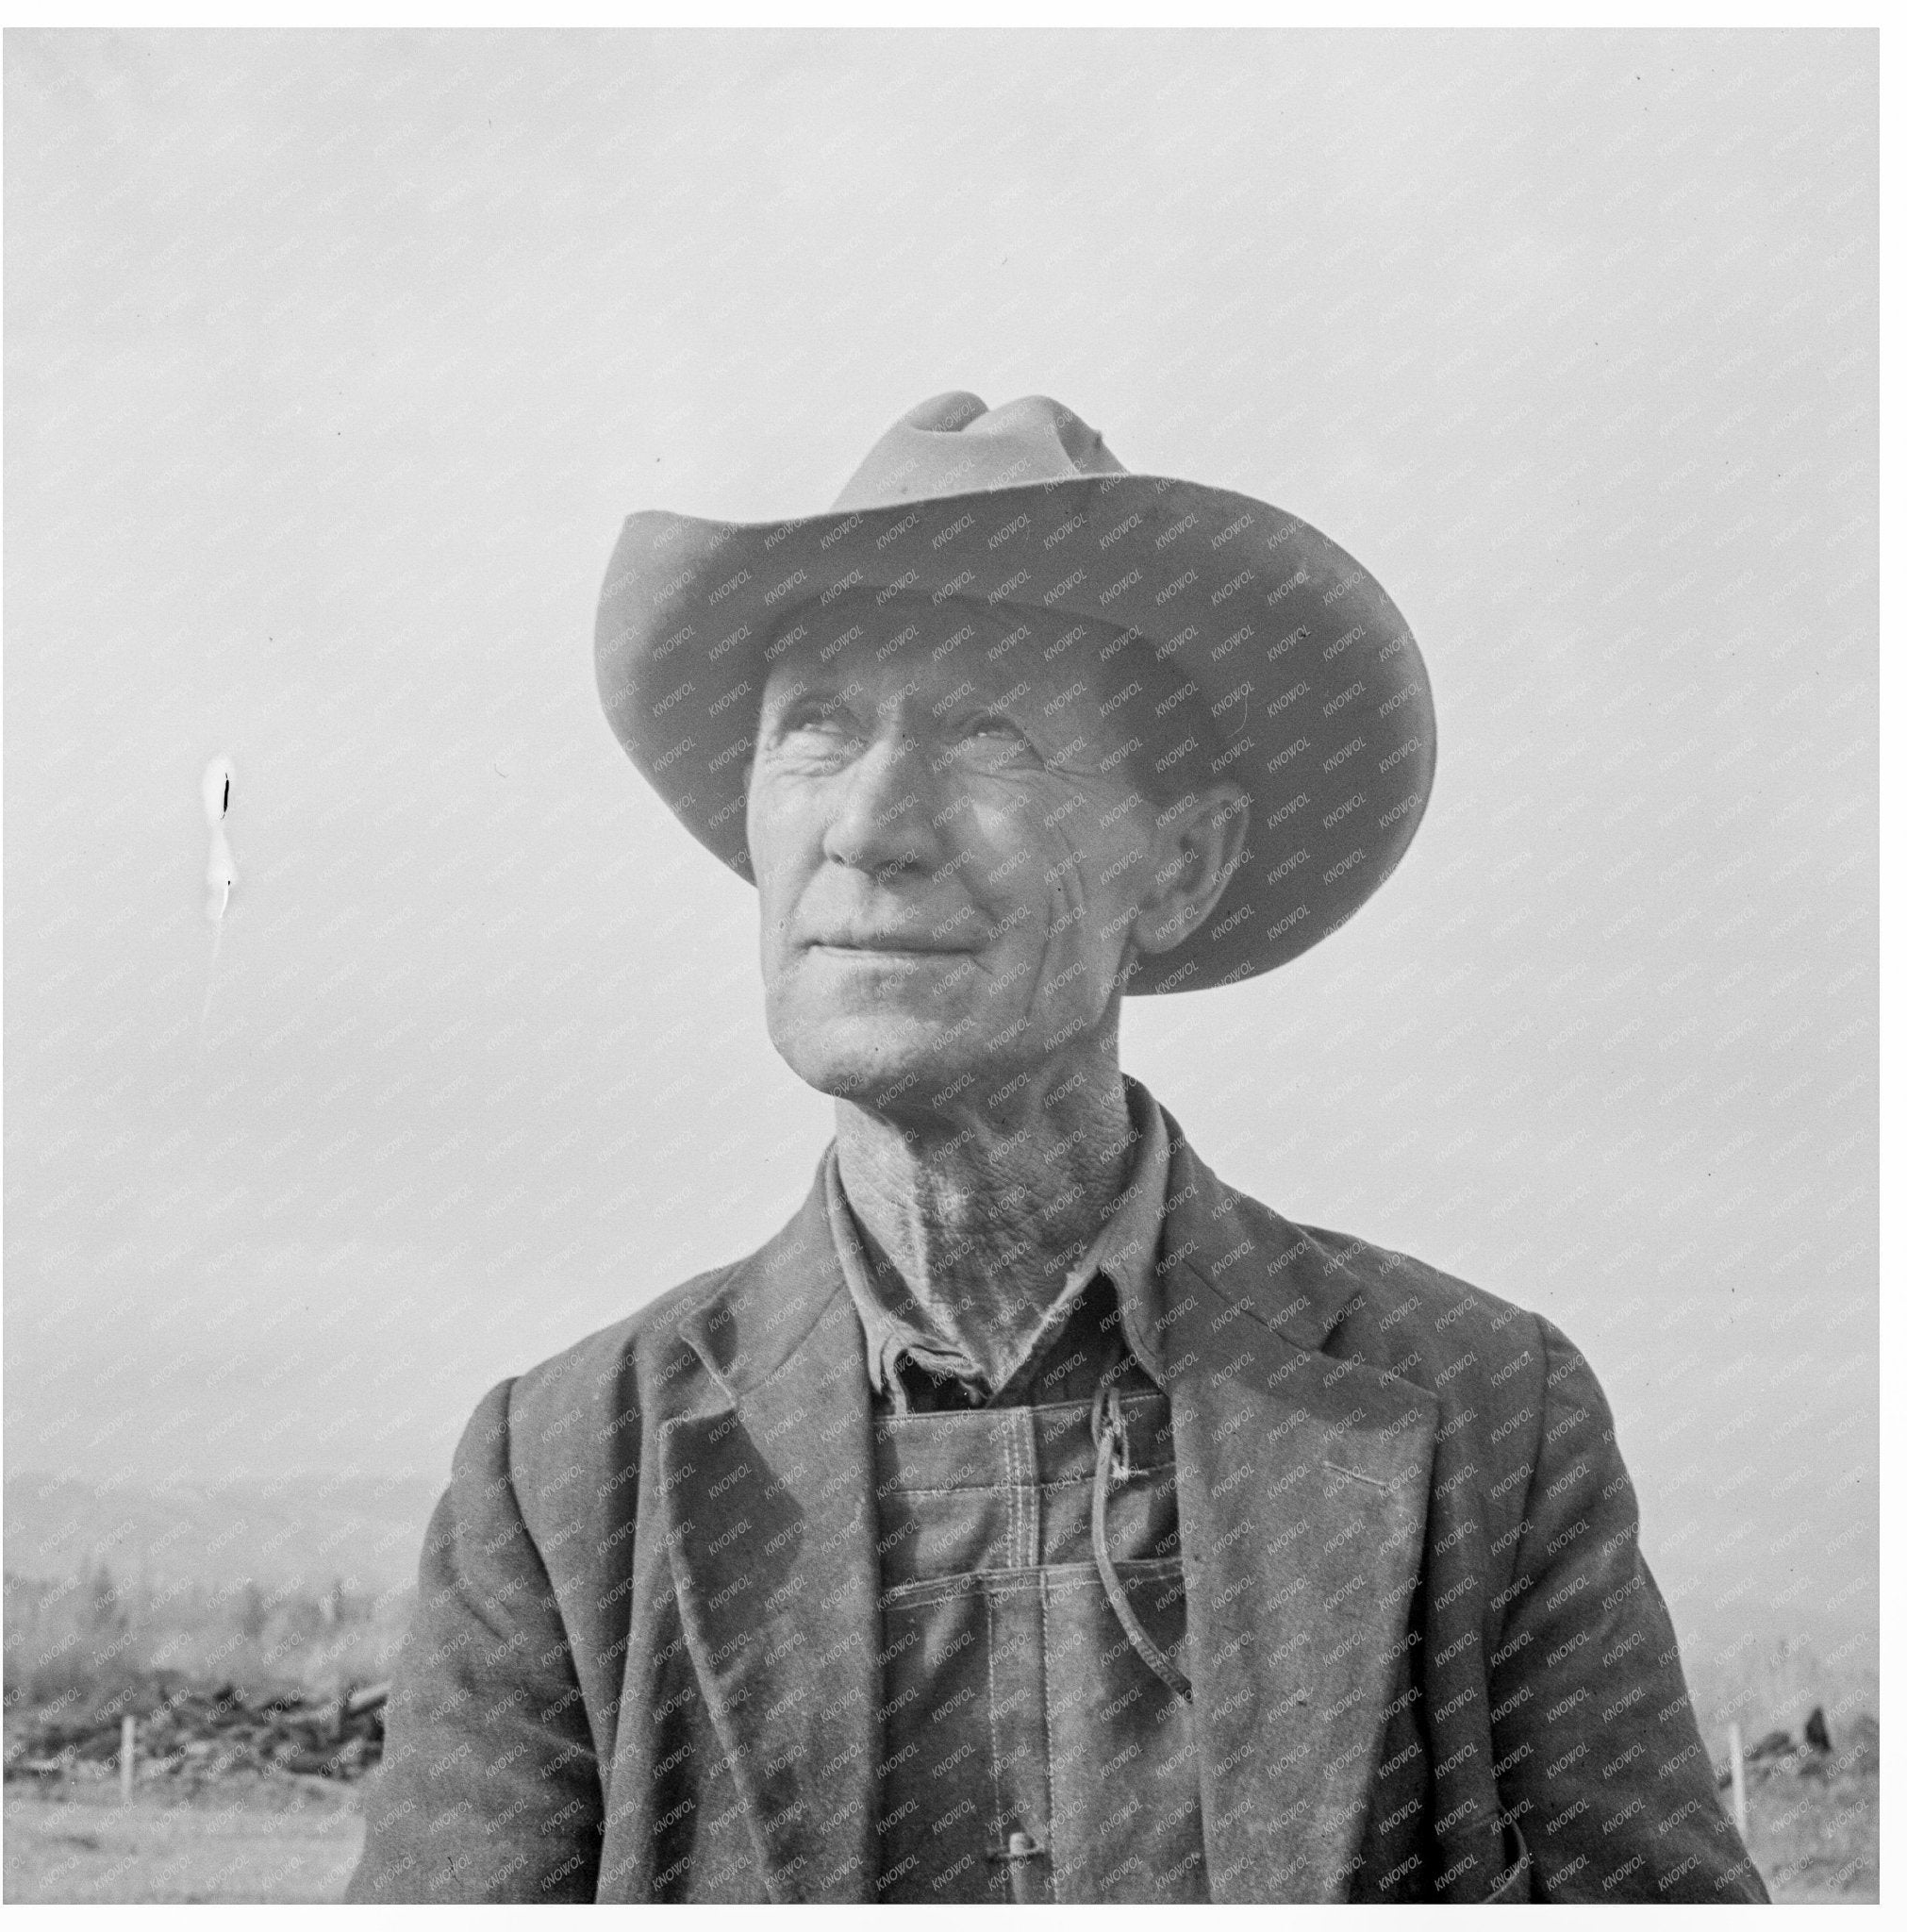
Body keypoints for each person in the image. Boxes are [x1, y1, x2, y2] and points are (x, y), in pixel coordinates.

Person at [348, 393, 1767, 1904]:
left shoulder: (1487, 1428)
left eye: (987, 733)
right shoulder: (565, 1484)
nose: (873, 826)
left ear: (1180, 866)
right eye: (815, 729)